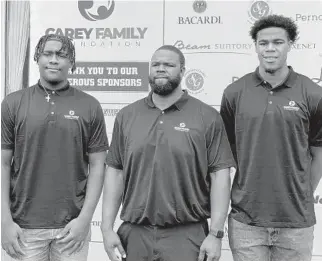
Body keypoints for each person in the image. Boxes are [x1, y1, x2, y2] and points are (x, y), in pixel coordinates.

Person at [101, 45, 236, 261]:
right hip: (134, 234)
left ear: (182, 71)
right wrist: (107, 228)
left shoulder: (207, 117)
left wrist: (215, 234)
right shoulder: (127, 116)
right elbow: (115, 172)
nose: (161, 69)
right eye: (155, 64)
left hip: (187, 236)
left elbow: (220, 176)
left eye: (169, 65)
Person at [220, 14, 322, 261]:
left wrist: (303, 194)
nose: (270, 49)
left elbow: (319, 152)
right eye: (263, 43)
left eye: (278, 42)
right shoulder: (234, 93)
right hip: (246, 222)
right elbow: (224, 156)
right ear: (255, 46)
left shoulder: (313, 93)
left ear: (290, 45)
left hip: (296, 223)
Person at [1, 34, 109, 261]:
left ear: (72, 62)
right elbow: (2, 164)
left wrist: (84, 219)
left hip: (72, 228)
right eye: (47, 53)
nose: (53, 60)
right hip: (23, 228)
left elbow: (98, 166)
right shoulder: (13, 103)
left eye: (61, 55)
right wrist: (5, 220)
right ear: (37, 58)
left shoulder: (89, 106)